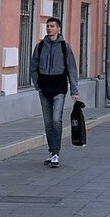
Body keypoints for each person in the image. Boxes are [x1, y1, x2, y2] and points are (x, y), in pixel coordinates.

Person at [30, 17, 79, 167]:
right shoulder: (40, 47)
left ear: (58, 28)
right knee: (48, 122)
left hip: (59, 87)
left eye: (52, 26)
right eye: (48, 26)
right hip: (44, 88)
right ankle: (51, 151)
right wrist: (37, 84)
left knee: (57, 120)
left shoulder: (65, 47)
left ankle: (56, 153)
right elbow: (33, 67)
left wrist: (74, 90)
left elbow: (72, 69)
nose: (49, 29)